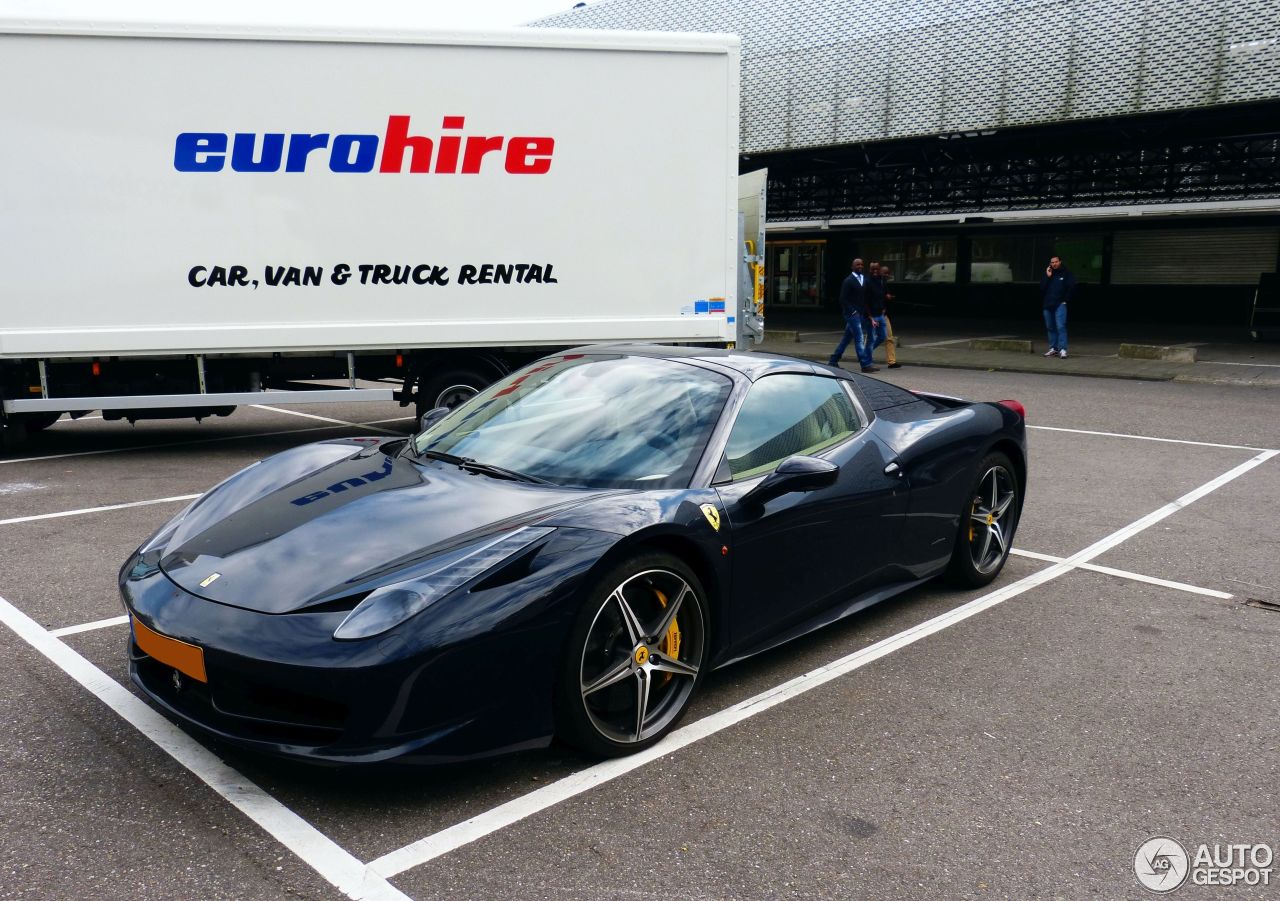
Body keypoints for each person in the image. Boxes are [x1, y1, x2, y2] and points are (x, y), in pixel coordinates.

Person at [828, 258, 878, 372]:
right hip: (852, 315)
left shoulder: (863, 279)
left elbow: (864, 298)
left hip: (860, 314)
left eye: (861, 264)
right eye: (857, 265)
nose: (860, 266)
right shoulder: (848, 281)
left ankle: (833, 360)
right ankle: (865, 365)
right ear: (852, 267)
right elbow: (842, 299)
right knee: (859, 338)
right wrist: (852, 311)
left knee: (846, 339)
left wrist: (867, 314)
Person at [1040, 255, 1075, 358]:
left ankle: (1063, 349)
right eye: (1052, 262)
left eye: (1056, 262)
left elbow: (1071, 287)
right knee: (1050, 327)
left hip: (1060, 304)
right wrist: (1048, 276)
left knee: (1061, 326)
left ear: (1060, 262)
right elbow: (1042, 288)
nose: (1054, 264)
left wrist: (1065, 300)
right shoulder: (1049, 274)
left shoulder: (1066, 273)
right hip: (1048, 304)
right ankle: (1053, 349)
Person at [865, 262, 889, 365]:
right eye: (873, 269)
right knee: (871, 339)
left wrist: (884, 308)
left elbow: (883, 295)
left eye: (877, 269)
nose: (875, 271)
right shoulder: (867, 282)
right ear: (869, 270)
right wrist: (869, 316)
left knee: (882, 336)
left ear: (879, 270)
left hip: (880, 314)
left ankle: (866, 353)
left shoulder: (881, 281)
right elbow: (864, 301)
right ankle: (868, 361)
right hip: (872, 315)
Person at [879, 265, 902, 368]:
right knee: (872, 339)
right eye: (885, 273)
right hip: (875, 315)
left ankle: (891, 361)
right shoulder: (875, 283)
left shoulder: (884, 284)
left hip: (884, 315)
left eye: (888, 273)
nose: (887, 275)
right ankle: (865, 357)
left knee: (889, 337)